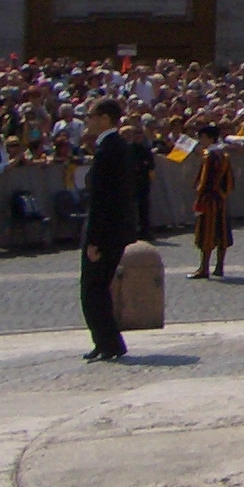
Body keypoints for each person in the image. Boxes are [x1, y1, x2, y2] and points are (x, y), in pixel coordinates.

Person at [78, 98, 137, 362]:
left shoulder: (108, 150)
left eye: (90, 116)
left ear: (104, 119)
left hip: (105, 233)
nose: (87, 121)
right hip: (115, 230)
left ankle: (107, 342)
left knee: (93, 289)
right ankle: (106, 341)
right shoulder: (118, 146)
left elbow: (102, 200)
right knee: (97, 288)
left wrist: (94, 240)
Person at [189, 124, 232, 280]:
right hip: (221, 199)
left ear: (209, 138)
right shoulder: (224, 155)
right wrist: (223, 194)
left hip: (209, 200)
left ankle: (204, 268)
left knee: (206, 233)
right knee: (222, 232)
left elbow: (205, 181)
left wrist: (200, 195)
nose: (200, 140)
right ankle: (219, 267)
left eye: (202, 137)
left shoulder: (209, 157)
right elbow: (230, 181)